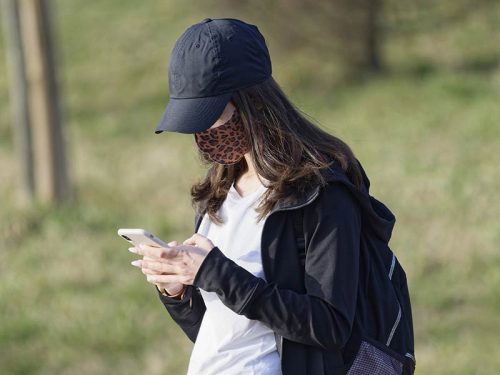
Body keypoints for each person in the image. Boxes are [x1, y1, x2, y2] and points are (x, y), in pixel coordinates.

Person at [129, 18, 415, 375]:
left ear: (254, 104)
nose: (202, 133)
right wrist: (177, 293)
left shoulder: (320, 194)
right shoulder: (217, 195)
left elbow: (329, 325)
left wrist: (215, 271)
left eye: (209, 116)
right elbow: (224, 336)